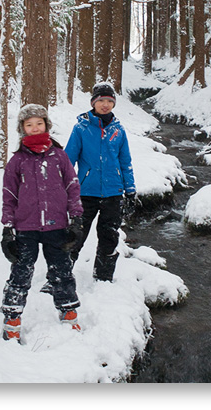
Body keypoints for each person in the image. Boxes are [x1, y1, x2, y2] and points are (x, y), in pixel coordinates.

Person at [0, 104, 84, 343]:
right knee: (20, 273)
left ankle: (68, 311)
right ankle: (12, 318)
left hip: (57, 225)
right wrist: (8, 228)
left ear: (46, 125)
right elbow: (9, 194)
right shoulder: (17, 161)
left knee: (61, 271)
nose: (35, 128)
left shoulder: (59, 156)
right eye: (29, 125)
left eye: (39, 123)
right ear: (23, 129)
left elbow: (72, 185)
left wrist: (76, 217)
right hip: (26, 228)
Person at [63, 82, 136, 282]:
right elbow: (68, 160)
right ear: (93, 103)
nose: (105, 105)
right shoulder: (81, 128)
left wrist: (130, 190)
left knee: (109, 237)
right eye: (101, 100)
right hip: (85, 192)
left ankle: (103, 277)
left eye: (109, 101)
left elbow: (125, 161)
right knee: (75, 235)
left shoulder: (118, 130)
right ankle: (60, 276)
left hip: (113, 193)